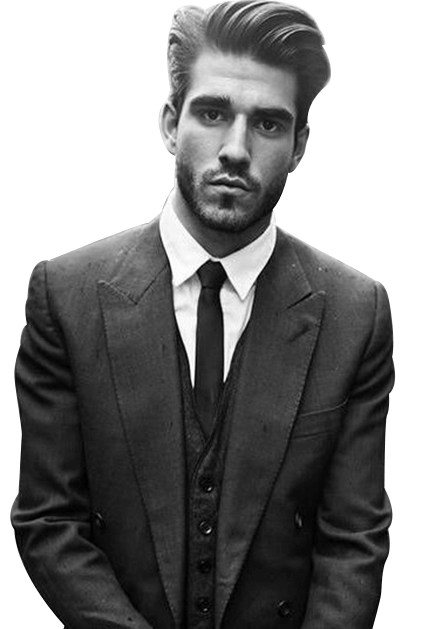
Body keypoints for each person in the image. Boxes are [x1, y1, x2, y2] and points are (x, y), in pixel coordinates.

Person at [11, 1, 394, 628]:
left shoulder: (356, 312)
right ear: (169, 123)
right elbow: (49, 521)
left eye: (267, 124)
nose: (236, 150)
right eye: (213, 113)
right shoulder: (66, 294)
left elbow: (353, 543)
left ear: (300, 145)